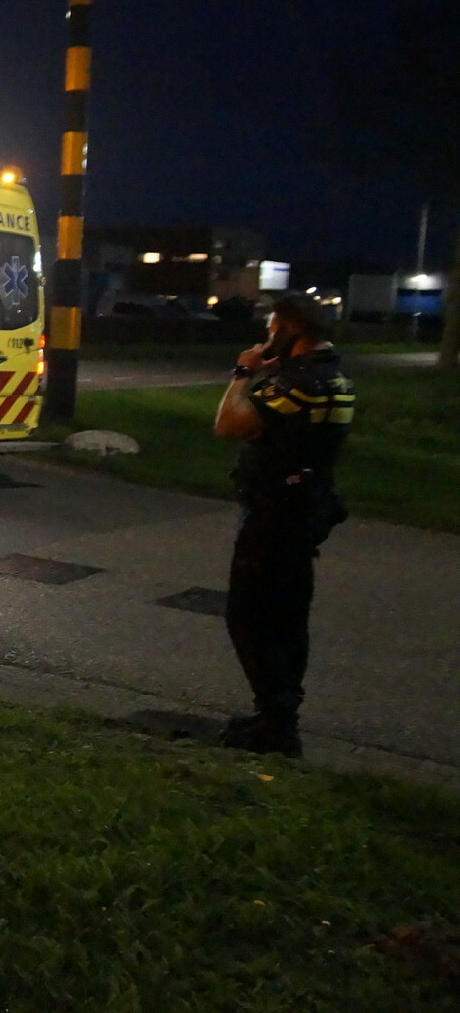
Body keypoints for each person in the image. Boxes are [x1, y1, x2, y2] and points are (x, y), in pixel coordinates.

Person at [212, 292, 355, 757]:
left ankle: (275, 726)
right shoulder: (335, 379)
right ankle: (279, 716)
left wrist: (243, 374)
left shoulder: (297, 383)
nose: (268, 334)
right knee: (289, 618)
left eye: (273, 326)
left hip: (276, 513)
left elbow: (230, 424)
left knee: (250, 618)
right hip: (306, 509)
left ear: (292, 328)